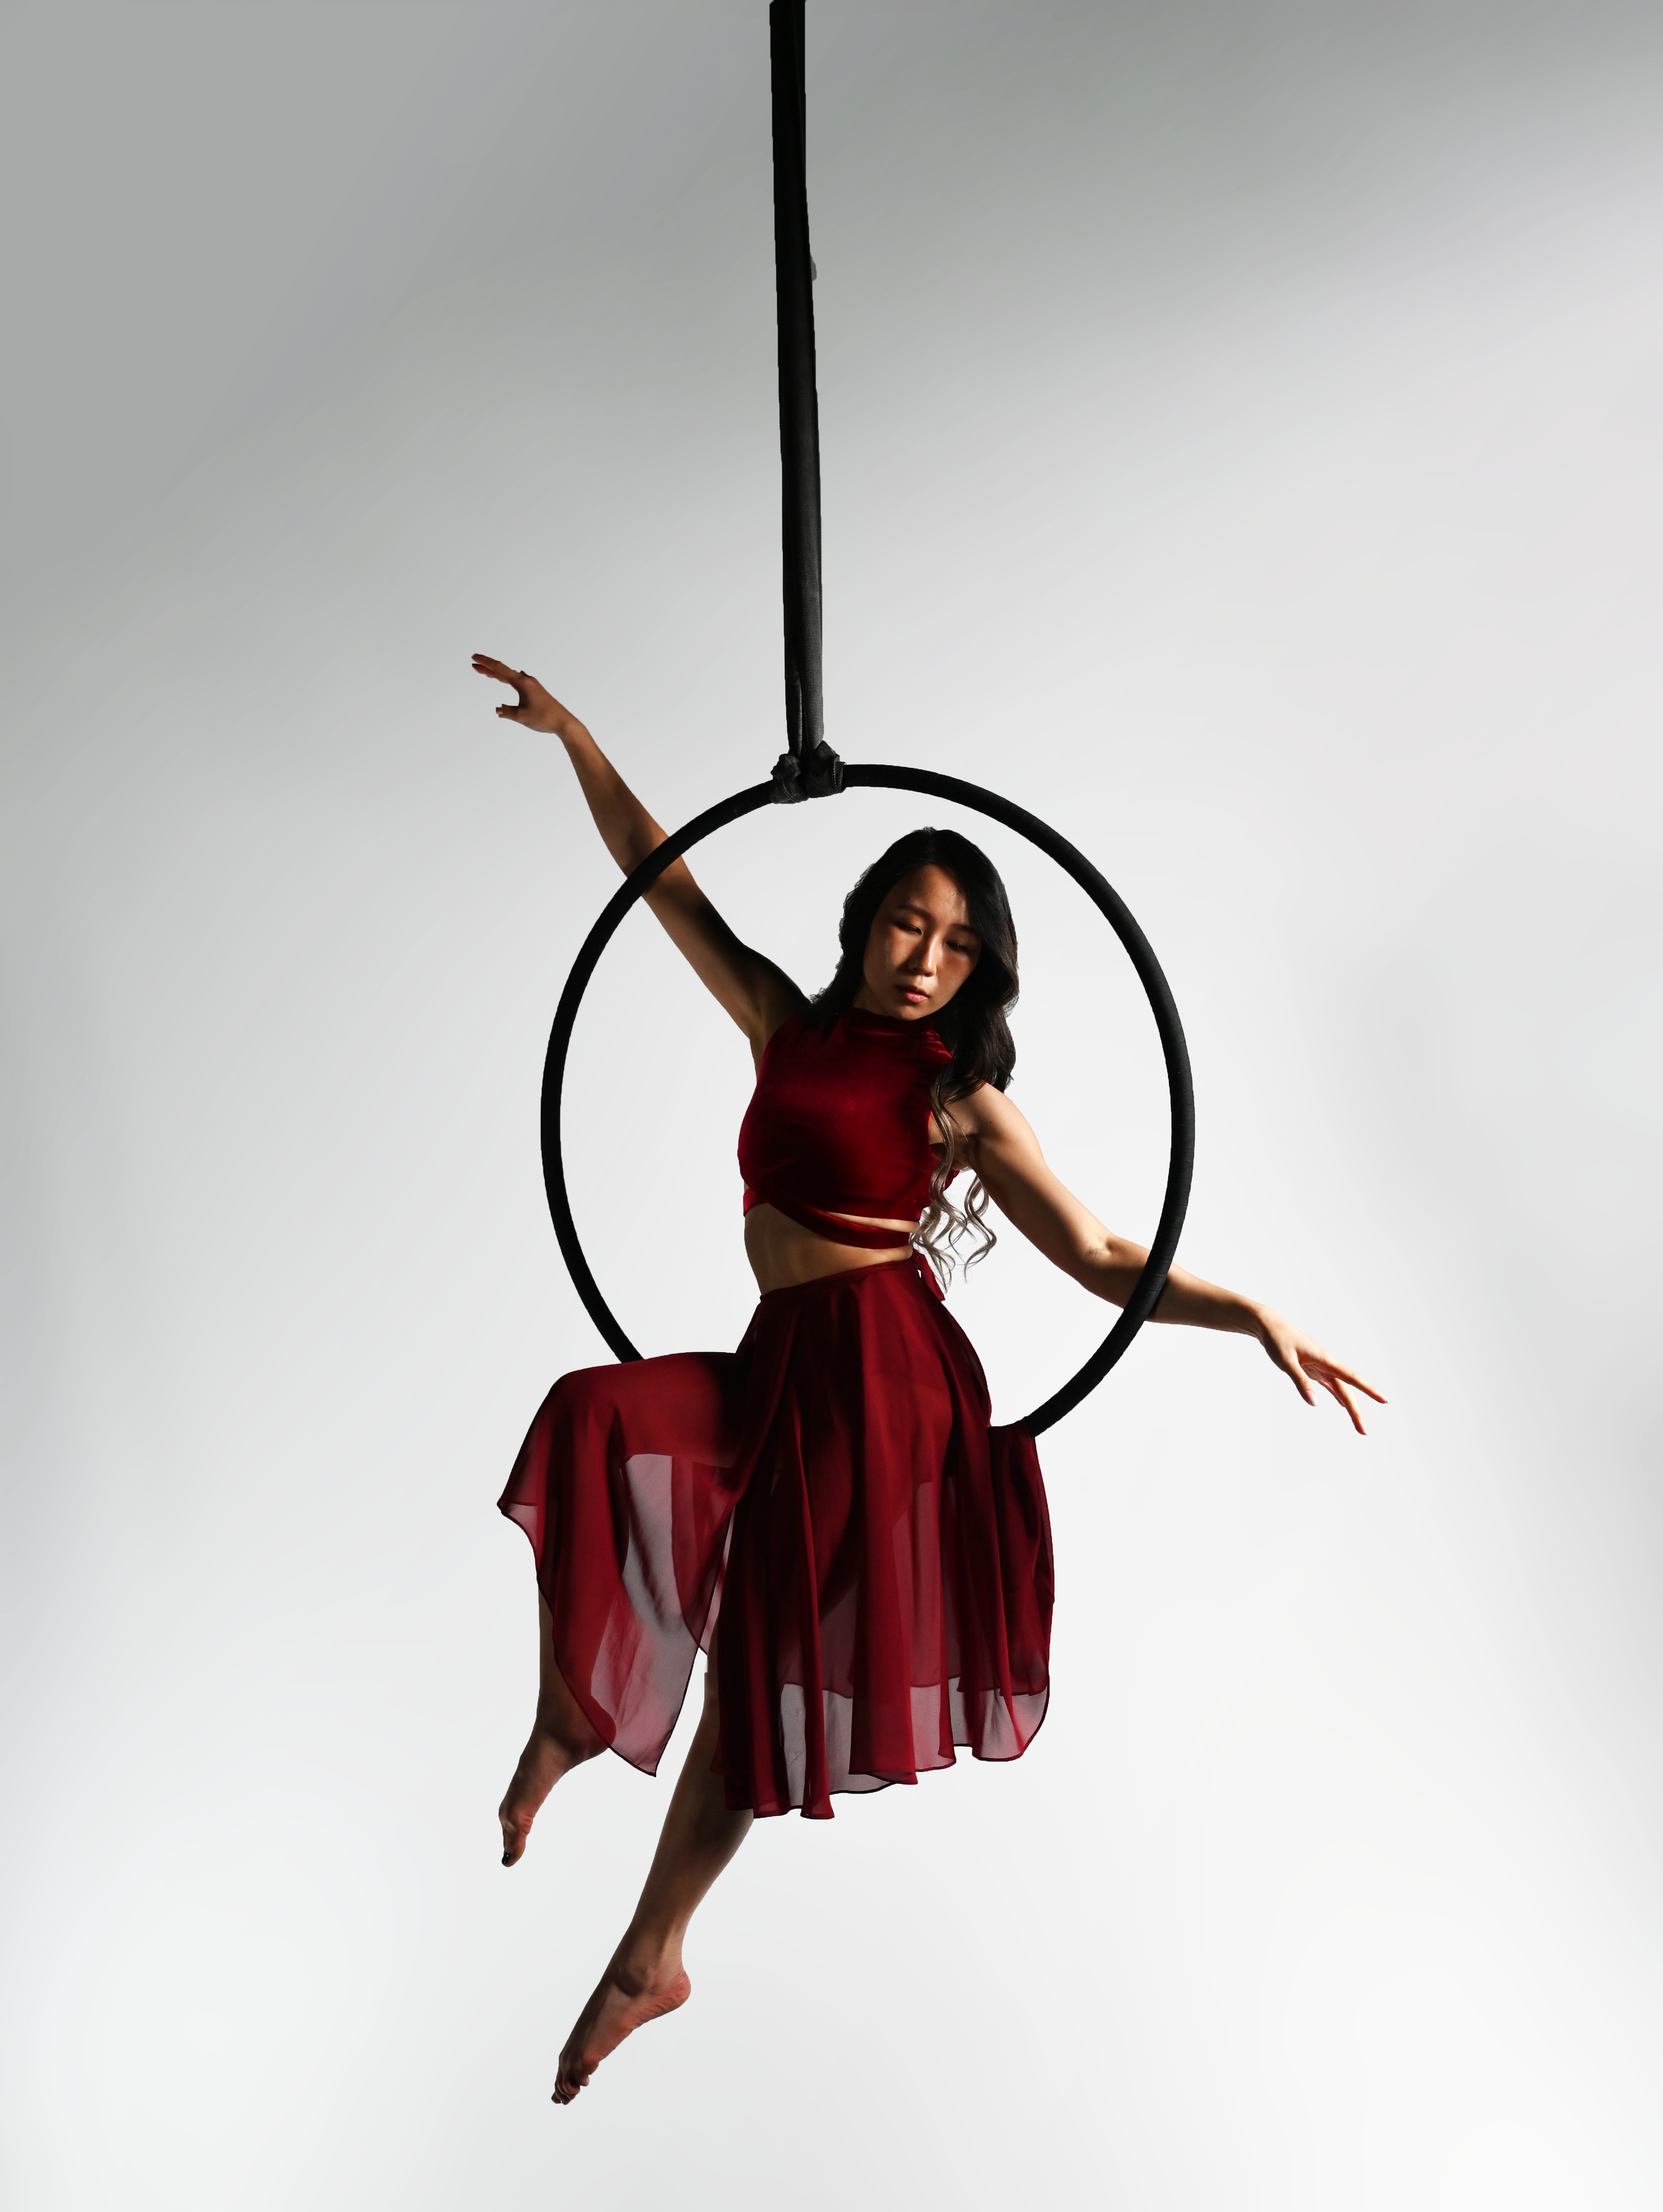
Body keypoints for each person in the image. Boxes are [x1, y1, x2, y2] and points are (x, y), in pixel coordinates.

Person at [472, 652, 1384, 2105]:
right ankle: (570, 1725)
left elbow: (1100, 1254)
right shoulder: (785, 1025)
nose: (923, 958)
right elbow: (665, 884)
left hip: (883, 1386)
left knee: (761, 1665)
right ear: (865, 923)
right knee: (593, 1417)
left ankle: (648, 1950)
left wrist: (1251, 1311)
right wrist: (579, 739)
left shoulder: (958, 1098)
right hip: (784, 1363)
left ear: (977, 973)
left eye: (956, 945)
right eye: (908, 922)